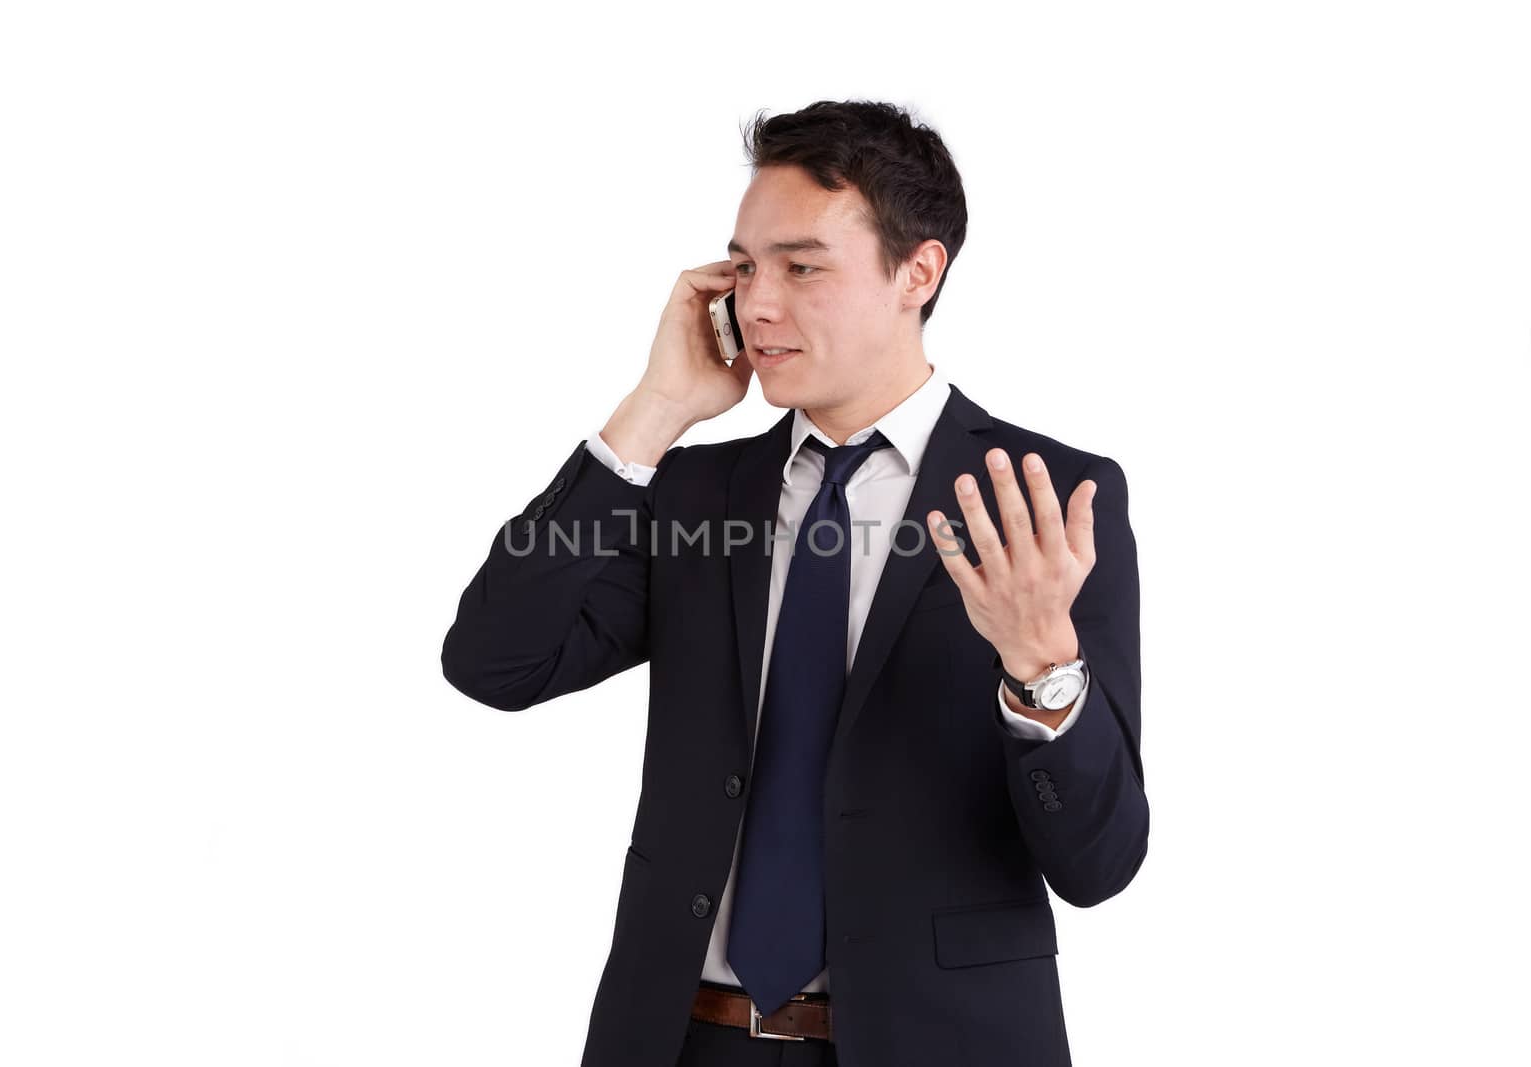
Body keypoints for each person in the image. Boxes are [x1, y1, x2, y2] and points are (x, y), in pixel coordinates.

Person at [441, 99, 1148, 1067]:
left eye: (801, 267)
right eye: (743, 265)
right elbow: (493, 658)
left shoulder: (1043, 502)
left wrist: (1042, 669)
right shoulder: (693, 490)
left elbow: (1099, 862)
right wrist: (650, 415)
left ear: (919, 271)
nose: (756, 303)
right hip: (687, 1040)